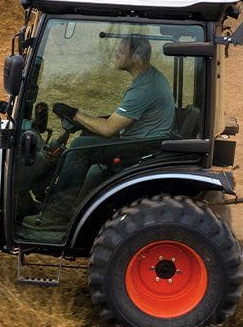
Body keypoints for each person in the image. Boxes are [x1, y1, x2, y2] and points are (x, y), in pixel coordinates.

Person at [22, 34, 174, 231]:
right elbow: (118, 120)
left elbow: (109, 129)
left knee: (79, 149)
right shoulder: (150, 79)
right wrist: (83, 122)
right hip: (144, 141)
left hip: (143, 148)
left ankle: (56, 215)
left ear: (136, 57)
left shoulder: (145, 88)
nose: (117, 53)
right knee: (87, 137)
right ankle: (57, 200)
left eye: (122, 50)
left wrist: (74, 114)